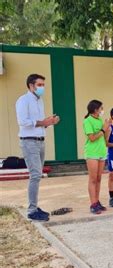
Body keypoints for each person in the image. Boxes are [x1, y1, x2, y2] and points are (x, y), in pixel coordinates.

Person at [16, 73, 60, 221]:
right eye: (39, 85)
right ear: (31, 86)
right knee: (34, 175)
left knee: (38, 175)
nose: (42, 88)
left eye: (43, 85)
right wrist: (43, 122)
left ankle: (34, 206)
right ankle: (32, 210)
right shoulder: (23, 100)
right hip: (29, 142)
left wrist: (49, 122)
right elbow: (24, 122)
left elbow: (39, 123)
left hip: (40, 140)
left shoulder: (39, 100)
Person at [83, 99, 111, 214]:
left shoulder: (100, 121)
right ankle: (93, 203)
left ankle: (97, 201)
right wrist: (103, 129)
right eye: (101, 108)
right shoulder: (87, 121)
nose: (102, 111)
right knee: (93, 178)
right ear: (95, 109)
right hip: (92, 153)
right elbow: (92, 138)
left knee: (99, 178)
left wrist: (108, 128)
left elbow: (105, 138)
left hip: (101, 152)